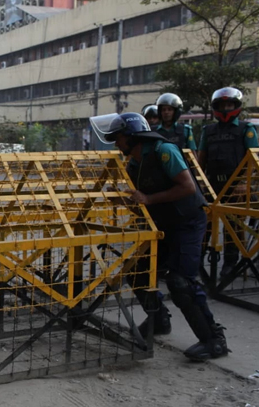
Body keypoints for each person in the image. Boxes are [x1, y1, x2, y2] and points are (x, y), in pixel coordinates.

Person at [90, 112, 229, 361]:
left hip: (187, 222)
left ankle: (213, 340)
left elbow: (187, 187)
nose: (116, 143)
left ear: (133, 136)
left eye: (118, 137)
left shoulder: (164, 150)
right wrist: (126, 199)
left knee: (180, 282)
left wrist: (148, 199)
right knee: (135, 269)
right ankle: (159, 320)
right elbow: (141, 202)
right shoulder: (134, 163)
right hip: (163, 223)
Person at [198, 87, 258, 277]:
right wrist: (199, 182)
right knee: (203, 224)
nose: (225, 108)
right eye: (222, 105)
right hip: (212, 185)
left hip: (236, 187)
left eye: (229, 104)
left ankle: (230, 264)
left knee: (234, 227)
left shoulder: (246, 130)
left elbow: (253, 160)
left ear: (236, 106)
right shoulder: (208, 131)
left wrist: (243, 182)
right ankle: (197, 260)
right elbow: (201, 158)